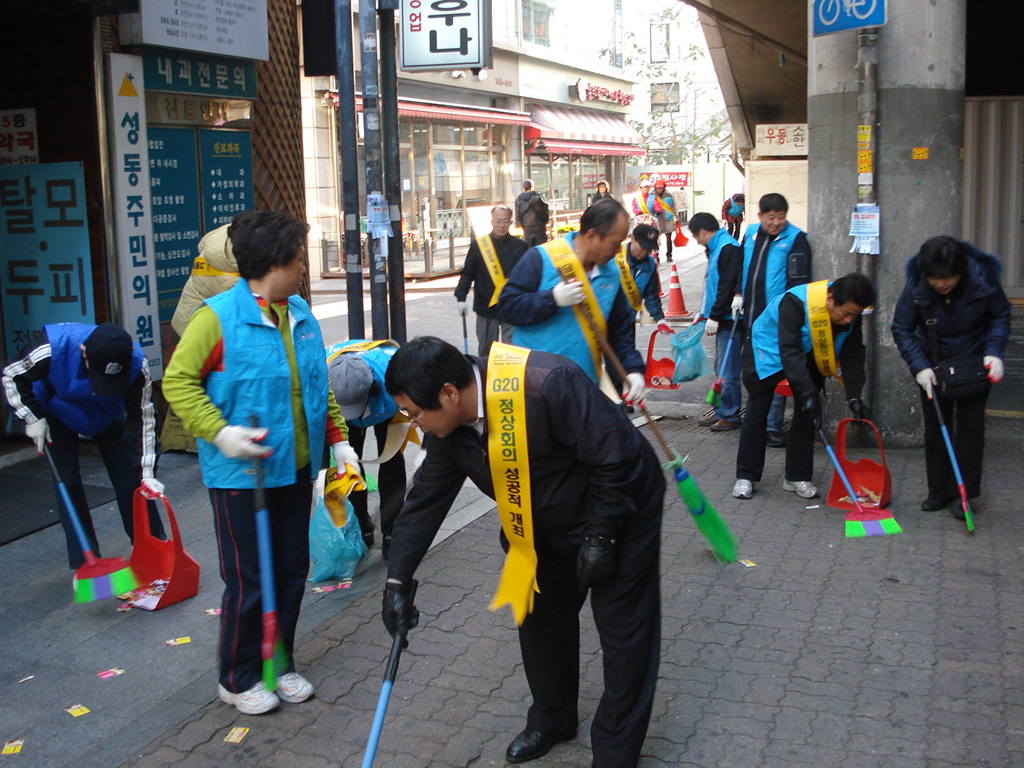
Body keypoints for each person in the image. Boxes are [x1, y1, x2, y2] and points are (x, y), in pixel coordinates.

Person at [380, 336, 665, 768]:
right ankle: (553, 717)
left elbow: (618, 460)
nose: (415, 424)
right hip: (540, 525)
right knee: (538, 617)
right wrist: (398, 581)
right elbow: (424, 503)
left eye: (416, 413)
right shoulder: (450, 429)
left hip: (619, 509)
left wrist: (601, 537)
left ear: (449, 393)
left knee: (623, 634)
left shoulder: (547, 382)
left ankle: (615, 748)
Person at [162, 210, 357, 715]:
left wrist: (338, 440)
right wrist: (219, 431)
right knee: (250, 577)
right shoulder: (218, 317)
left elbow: (317, 386)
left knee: (292, 569)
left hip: (295, 468)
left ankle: (278, 663)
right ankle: (237, 675)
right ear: (275, 262)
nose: (303, 270)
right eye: (298, 260)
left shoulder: (300, 314)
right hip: (239, 475)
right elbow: (178, 382)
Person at [3, 323, 166, 568]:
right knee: (66, 481)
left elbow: (143, 419)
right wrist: (32, 417)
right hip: (54, 410)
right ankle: (85, 560)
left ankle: (151, 546)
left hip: (106, 413)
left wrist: (147, 470)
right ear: (83, 352)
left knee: (133, 479)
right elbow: (11, 374)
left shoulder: (137, 364)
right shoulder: (51, 347)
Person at [890, 236, 1011, 516]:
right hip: (933, 368)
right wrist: (919, 366)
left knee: (970, 432)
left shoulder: (983, 280)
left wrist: (994, 352)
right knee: (937, 430)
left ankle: (964, 494)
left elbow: (1000, 316)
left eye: (949, 278)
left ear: (962, 271)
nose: (942, 284)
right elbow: (902, 328)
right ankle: (938, 492)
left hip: (974, 366)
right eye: (935, 279)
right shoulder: (916, 287)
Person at [733, 274, 874, 501]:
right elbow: (790, 351)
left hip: (812, 353)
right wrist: (806, 391)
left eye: (854, 315)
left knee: (808, 412)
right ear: (829, 300)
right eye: (846, 313)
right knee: (758, 410)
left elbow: (853, 353)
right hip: (767, 351)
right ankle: (746, 476)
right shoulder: (796, 302)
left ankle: (797, 476)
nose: (849, 320)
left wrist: (854, 397)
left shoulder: (850, 314)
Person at [497, 197, 646, 406]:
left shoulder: (611, 274)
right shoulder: (540, 258)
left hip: (582, 388)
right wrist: (552, 299)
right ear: (593, 236)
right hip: (535, 388)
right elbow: (507, 307)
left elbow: (619, 331)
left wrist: (632, 369)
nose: (617, 251)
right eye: (614, 244)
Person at [732, 193, 813, 448]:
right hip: (751, 315)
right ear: (760, 216)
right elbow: (742, 267)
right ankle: (757, 420)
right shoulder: (751, 234)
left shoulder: (796, 239)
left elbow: (798, 283)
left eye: (781, 217)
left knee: (775, 369)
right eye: (771, 217)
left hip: (778, 319)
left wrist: (789, 316)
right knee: (754, 371)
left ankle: (772, 426)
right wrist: (737, 293)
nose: (776, 222)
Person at [326, 340, 406, 557]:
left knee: (391, 461)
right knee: (349, 464)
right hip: (340, 396)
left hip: (386, 405)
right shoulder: (322, 370)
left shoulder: (395, 382)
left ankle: (392, 532)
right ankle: (362, 527)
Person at [688, 212, 744, 432]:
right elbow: (712, 285)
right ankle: (720, 411)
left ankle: (730, 414)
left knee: (728, 370)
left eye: (695, 236)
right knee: (720, 367)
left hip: (729, 319)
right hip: (720, 316)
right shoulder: (716, 247)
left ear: (703, 231)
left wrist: (715, 315)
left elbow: (726, 286)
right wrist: (704, 312)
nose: (697, 240)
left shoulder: (726, 248)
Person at [455, 205, 529, 356]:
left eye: (505, 221)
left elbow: (527, 277)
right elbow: (468, 273)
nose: (501, 225)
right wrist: (461, 297)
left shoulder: (520, 247)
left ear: (510, 223)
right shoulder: (479, 246)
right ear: (491, 222)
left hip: (512, 306)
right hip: (486, 306)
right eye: (498, 221)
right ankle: (486, 377)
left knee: (513, 351)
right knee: (486, 350)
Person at [170, 222, 239, 337]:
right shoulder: (228, 279)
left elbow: (201, 244)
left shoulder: (224, 235)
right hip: (193, 329)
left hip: (194, 318)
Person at [622, 224, 673, 334]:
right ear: (632, 239)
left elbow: (651, 294)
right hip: (607, 321)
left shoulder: (649, 265)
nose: (645, 252)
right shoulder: (616, 256)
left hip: (628, 323)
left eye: (649, 249)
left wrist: (660, 319)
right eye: (643, 247)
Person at [515, 180, 550, 247]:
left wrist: (523, 226)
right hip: (539, 228)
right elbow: (544, 213)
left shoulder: (519, 199)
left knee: (529, 250)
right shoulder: (538, 197)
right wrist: (544, 222)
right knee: (541, 250)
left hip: (527, 229)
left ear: (523, 187)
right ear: (532, 187)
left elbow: (518, 216)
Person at [652, 176, 678, 263]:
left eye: (661, 188)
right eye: (658, 188)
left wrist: (676, 217)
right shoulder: (652, 196)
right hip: (657, 219)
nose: (659, 189)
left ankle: (669, 255)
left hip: (668, 219)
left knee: (668, 238)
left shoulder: (668, 195)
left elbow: (673, 207)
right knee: (655, 238)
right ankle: (656, 255)